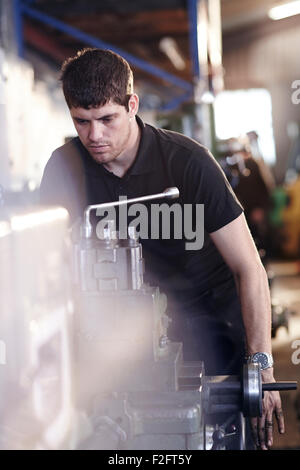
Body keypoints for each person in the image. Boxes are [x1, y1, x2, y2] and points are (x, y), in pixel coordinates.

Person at [39, 48, 284, 450]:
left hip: (211, 328)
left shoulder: (188, 164)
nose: (94, 136)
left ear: (131, 105)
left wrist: (261, 365)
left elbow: (249, 268)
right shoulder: (65, 168)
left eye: (106, 119)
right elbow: (42, 265)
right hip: (121, 338)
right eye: (81, 122)